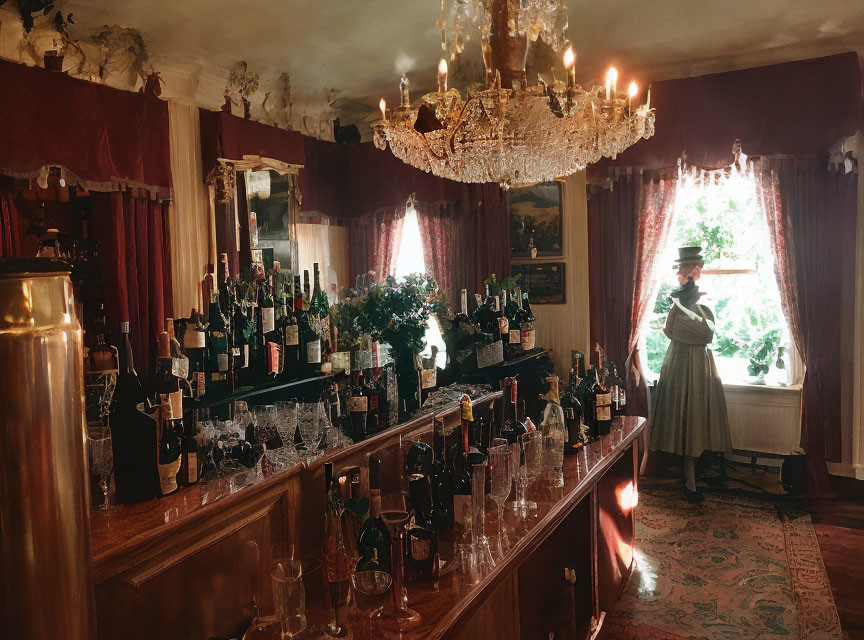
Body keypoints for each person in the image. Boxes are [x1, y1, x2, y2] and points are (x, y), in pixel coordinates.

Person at [650, 246, 731, 502]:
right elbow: (669, 331)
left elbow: (706, 334)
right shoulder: (678, 300)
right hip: (678, 361)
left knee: (696, 415)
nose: (687, 272)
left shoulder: (703, 301)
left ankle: (696, 474)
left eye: (693, 268)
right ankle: (688, 477)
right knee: (681, 416)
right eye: (684, 268)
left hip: (697, 363)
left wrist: (684, 327)